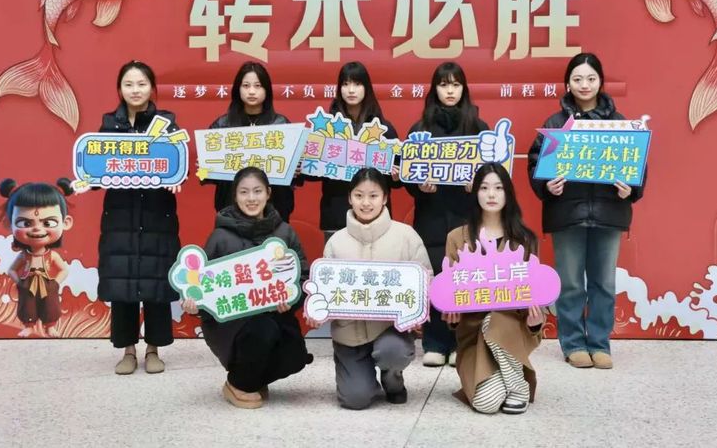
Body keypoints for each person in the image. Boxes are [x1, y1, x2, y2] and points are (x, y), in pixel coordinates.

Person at [527, 52, 646, 369]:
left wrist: (631, 189)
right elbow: (536, 165)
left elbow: (637, 166)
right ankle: (573, 343)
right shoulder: (556, 124)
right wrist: (547, 186)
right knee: (571, 283)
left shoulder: (620, 124)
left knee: (604, 283)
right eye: (577, 79)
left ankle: (600, 343)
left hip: (609, 214)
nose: (584, 84)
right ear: (567, 83)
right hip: (567, 214)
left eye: (591, 78)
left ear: (600, 82)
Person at [181, 167, 312, 409]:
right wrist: (194, 303)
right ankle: (238, 384)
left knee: (295, 356)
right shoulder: (220, 236)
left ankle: (254, 378)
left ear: (268, 193)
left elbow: (302, 276)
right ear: (235, 195)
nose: (251, 198)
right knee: (263, 330)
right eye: (244, 192)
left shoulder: (284, 232)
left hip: (274, 312)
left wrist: (291, 298)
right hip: (230, 321)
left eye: (257, 191)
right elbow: (200, 282)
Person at [306, 168, 431, 409]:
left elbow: (426, 281)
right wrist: (317, 310)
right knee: (355, 399)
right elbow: (325, 291)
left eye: (373, 196)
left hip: (390, 330)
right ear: (349, 198)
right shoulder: (336, 241)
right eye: (359, 195)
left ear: (385, 198)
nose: (365, 203)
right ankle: (361, 378)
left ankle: (392, 379)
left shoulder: (406, 236)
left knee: (392, 352)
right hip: (349, 333)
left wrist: (419, 314)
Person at [96, 61, 182, 375]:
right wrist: (88, 178)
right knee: (123, 282)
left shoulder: (167, 123)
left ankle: (154, 349)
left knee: (156, 282)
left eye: (142, 84)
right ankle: (128, 350)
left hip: (157, 213)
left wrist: (177, 176)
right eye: (129, 84)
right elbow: (95, 168)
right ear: (120, 89)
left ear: (152, 88)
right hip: (121, 215)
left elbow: (179, 164)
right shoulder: (109, 125)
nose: (135, 90)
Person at [405, 61, 488, 367]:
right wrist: (419, 186)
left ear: (464, 89)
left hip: (468, 218)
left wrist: (478, 185)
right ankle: (435, 342)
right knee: (436, 279)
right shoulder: (420, 131)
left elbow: (494, 177)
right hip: (432, 218)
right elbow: (407, 176)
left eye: (455, 84)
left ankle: (464, 343)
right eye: (443, 85)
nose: (449, 90)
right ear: (434, 89)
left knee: (467, 279)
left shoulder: (480, 130)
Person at [444, 163, 544, 414]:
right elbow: (451, 291)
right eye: (484, 188)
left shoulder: (525, 238)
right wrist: (452, 317)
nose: (491, 194)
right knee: (486, 404)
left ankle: (518, 387)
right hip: (473, 335)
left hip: (511, 329)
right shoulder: (457, 237)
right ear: (475, 192)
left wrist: (535, 322)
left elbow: (535, 291)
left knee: (496, 320)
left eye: (499, 188)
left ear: (508, 193)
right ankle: (507, 376)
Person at [203, 61, 299, 222]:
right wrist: (205, 168)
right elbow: (206, 175)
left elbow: (295, 177)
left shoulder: (282, 125)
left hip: (273, 212)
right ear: (237, 89)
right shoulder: (222, 126)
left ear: (267, 90)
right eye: (246, 86)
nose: (252, 91)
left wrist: (296, 170)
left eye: (258, 86)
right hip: (231, 212)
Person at [316, 62, 400, 243]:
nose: (351, 90)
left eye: (357, 84)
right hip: (337, 215)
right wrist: (303, 167)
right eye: (345, 84)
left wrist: (396, 176)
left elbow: (398, 177)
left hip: (375, 218)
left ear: (366, 88)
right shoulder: (326, 128)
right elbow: (313, 171)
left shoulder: (383, 129)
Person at [1, 178, 74, 338]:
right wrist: (20, 282)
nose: (36, 229)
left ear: (66, 222)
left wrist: (55, 283)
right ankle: (29, 325)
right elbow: (12, 270)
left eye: (48, 223)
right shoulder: (23, 255)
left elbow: (63, 270)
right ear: (8, 224)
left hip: (48, 283)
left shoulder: (52, 255)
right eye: (25, 223)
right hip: (28, 283)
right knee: (27, 305)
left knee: (50, 305)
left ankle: (50, 326)